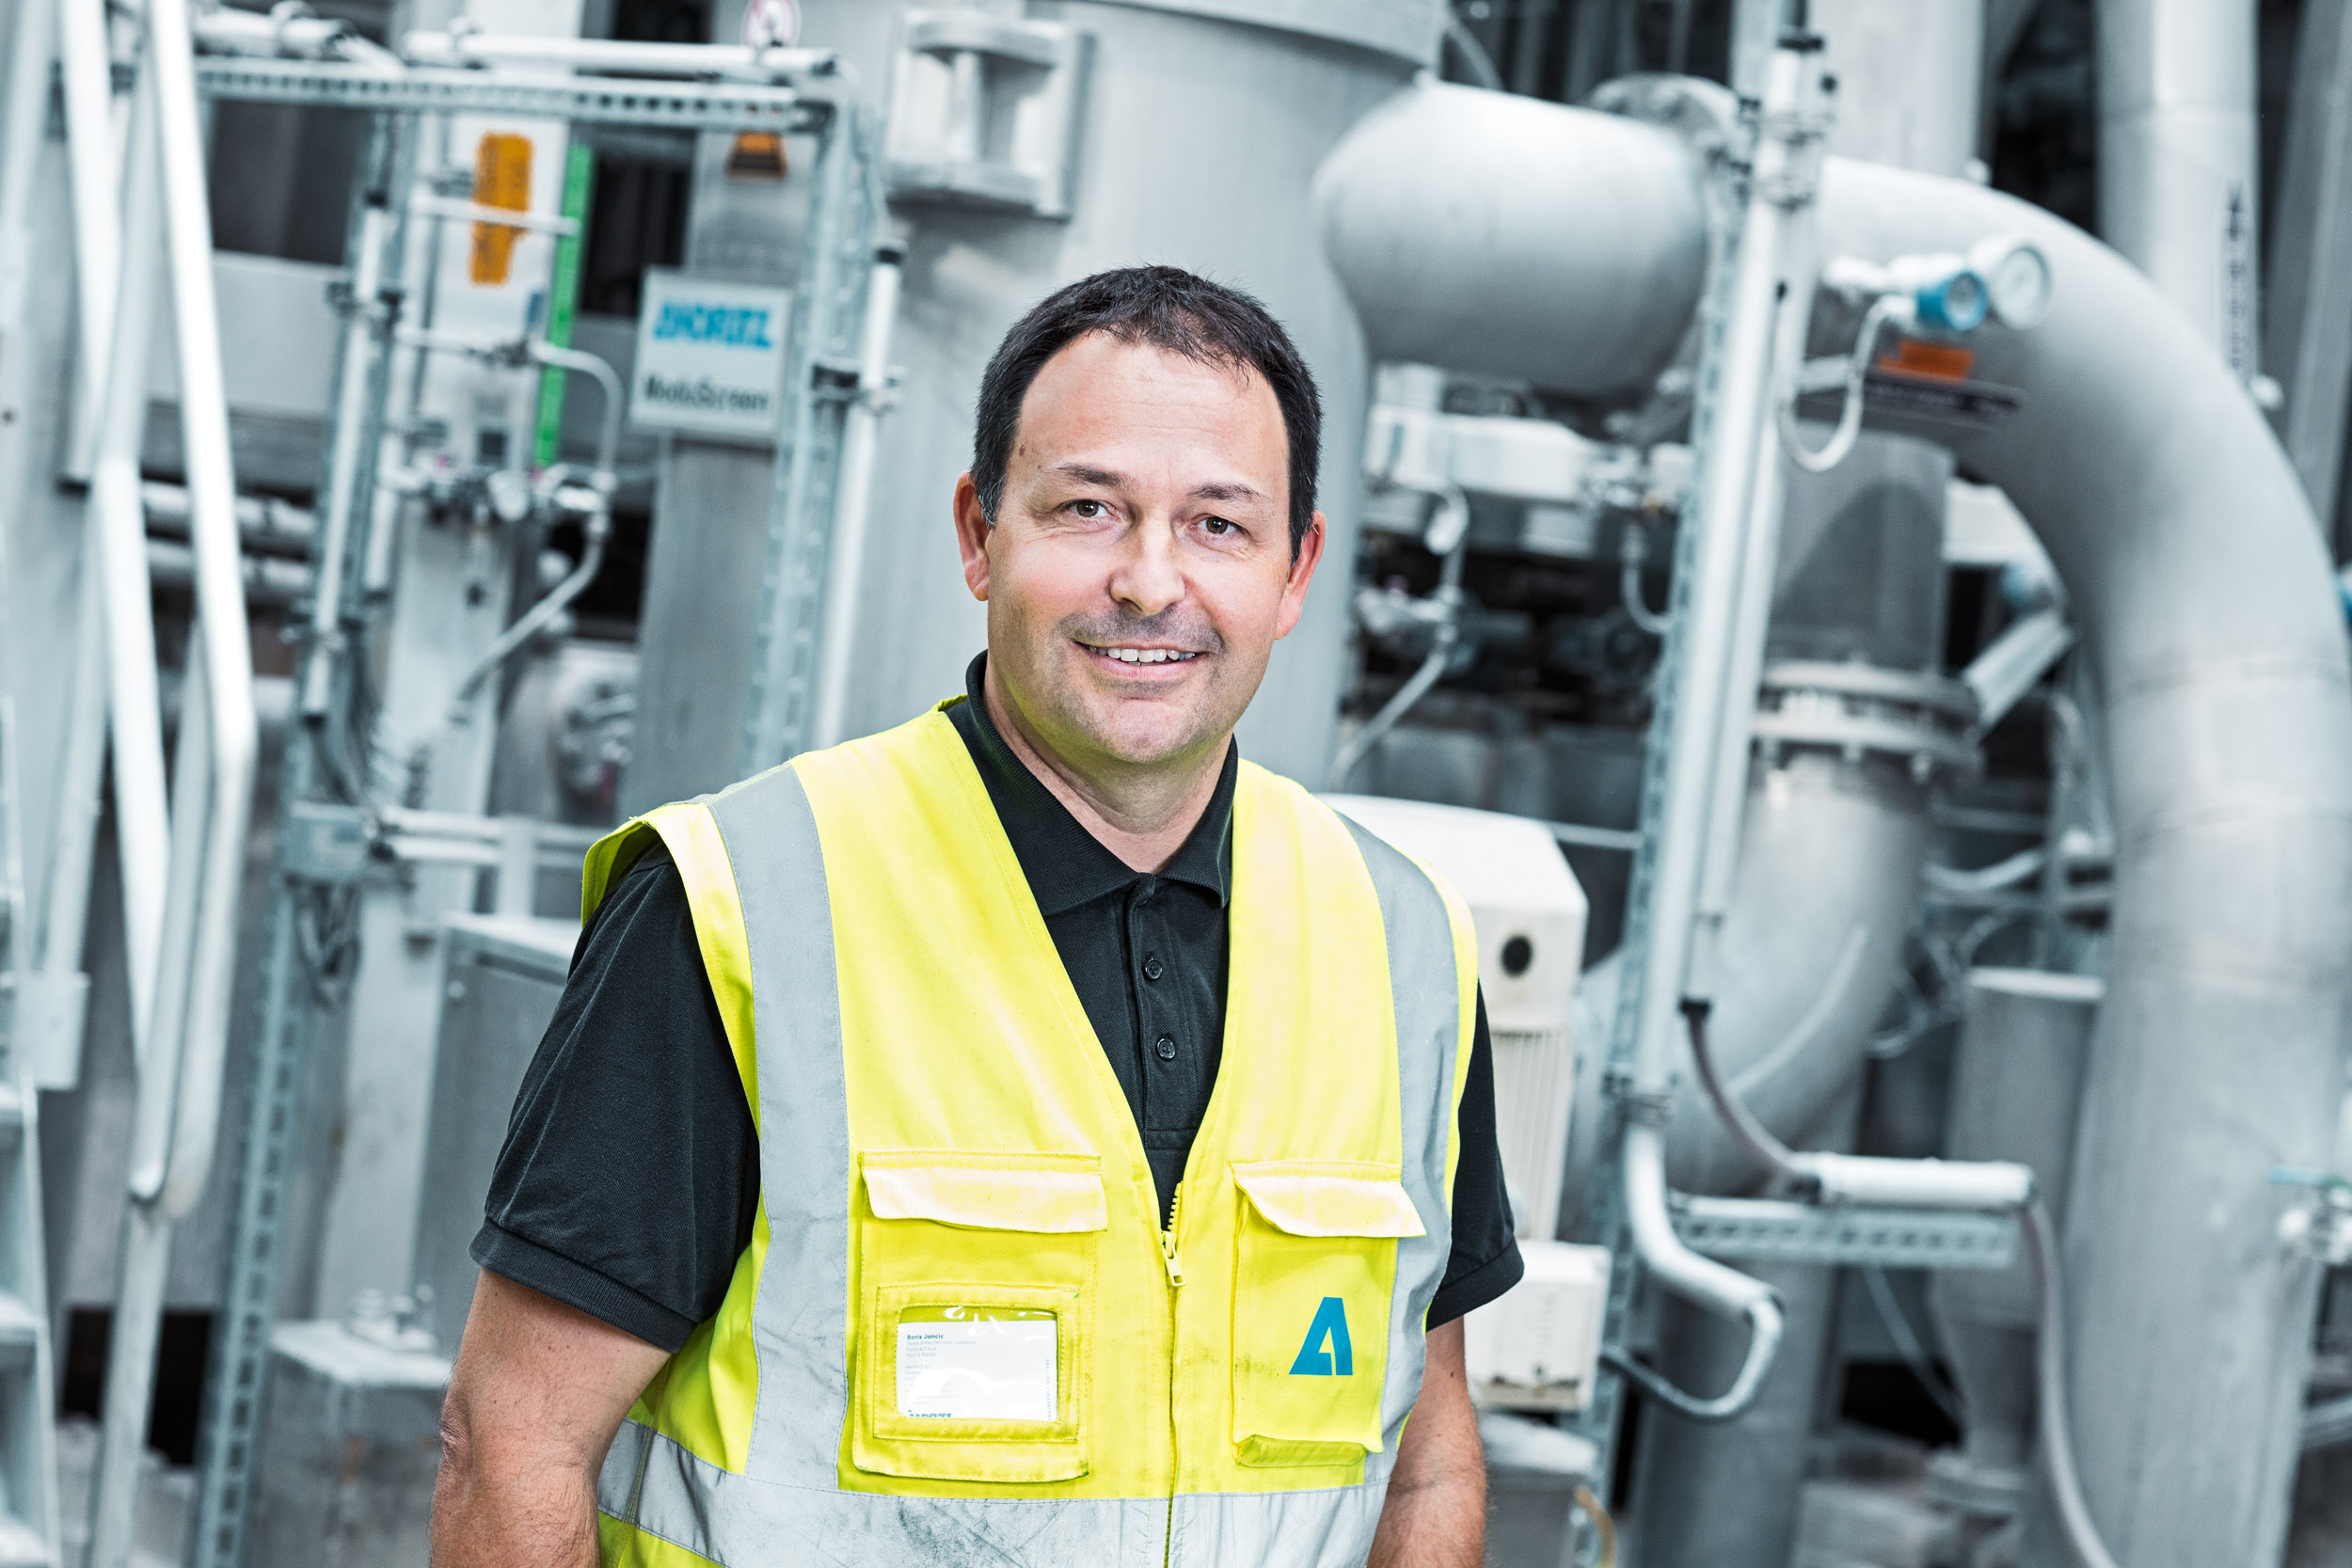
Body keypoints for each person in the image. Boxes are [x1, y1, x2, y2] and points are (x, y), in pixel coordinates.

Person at [431, 265, 1523, 1567]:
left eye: (1218, 525)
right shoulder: (744, 906)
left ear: (1297, 572)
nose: (1149, 580)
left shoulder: (1400, 943)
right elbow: (514, 1444)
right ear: (978, 534)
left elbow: (1425, 1463)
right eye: (1088, 509)